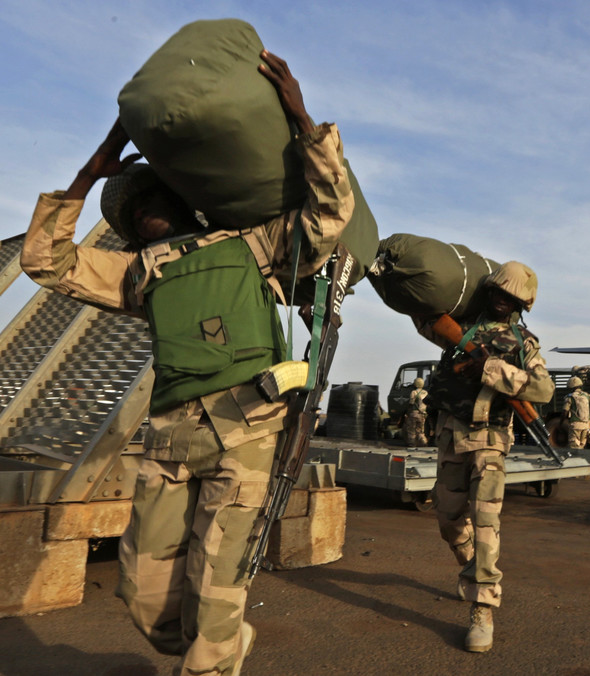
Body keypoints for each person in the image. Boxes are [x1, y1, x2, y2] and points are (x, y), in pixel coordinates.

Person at [20, 51, 352, 676]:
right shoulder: (139, 274)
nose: (145, 208)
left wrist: (303, 118)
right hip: (172, 436)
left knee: (216, 588)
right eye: (134, 206)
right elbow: (46, 261)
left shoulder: (250, 245)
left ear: (185, 203)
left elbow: (329, 215)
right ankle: (221, 647)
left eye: (154, 195)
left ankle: (213, 658)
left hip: (249, 425)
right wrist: (92, 171)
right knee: (143, 597)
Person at [420, 261, 553, 653]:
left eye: (510, 297)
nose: (501, 300)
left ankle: (482, 606)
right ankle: (470, 565)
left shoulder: (523, 341)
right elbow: (425, 319)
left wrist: (491, 368)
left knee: (485, 523)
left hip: (491, 439)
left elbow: (543, 390)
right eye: (497, 291)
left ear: (520, 304)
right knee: (447, 520)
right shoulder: (464, 327)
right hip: (450, 436)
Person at [563, 376, 590, 450]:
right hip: (586, 425)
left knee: (574, 447)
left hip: (575, 426)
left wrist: (561, 422)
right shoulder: (587, 395)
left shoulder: (570, 397)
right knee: (582, 446)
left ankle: (576, 461)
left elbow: (565, 412)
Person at [405, 377, 429, 446]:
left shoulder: (414, 392)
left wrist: (407, 413)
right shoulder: (425, 392)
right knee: (421, 430)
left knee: (411, 429)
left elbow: (411, 403)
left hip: (414, 413)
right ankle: (424, 442)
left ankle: (412, 443)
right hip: (423, 414)